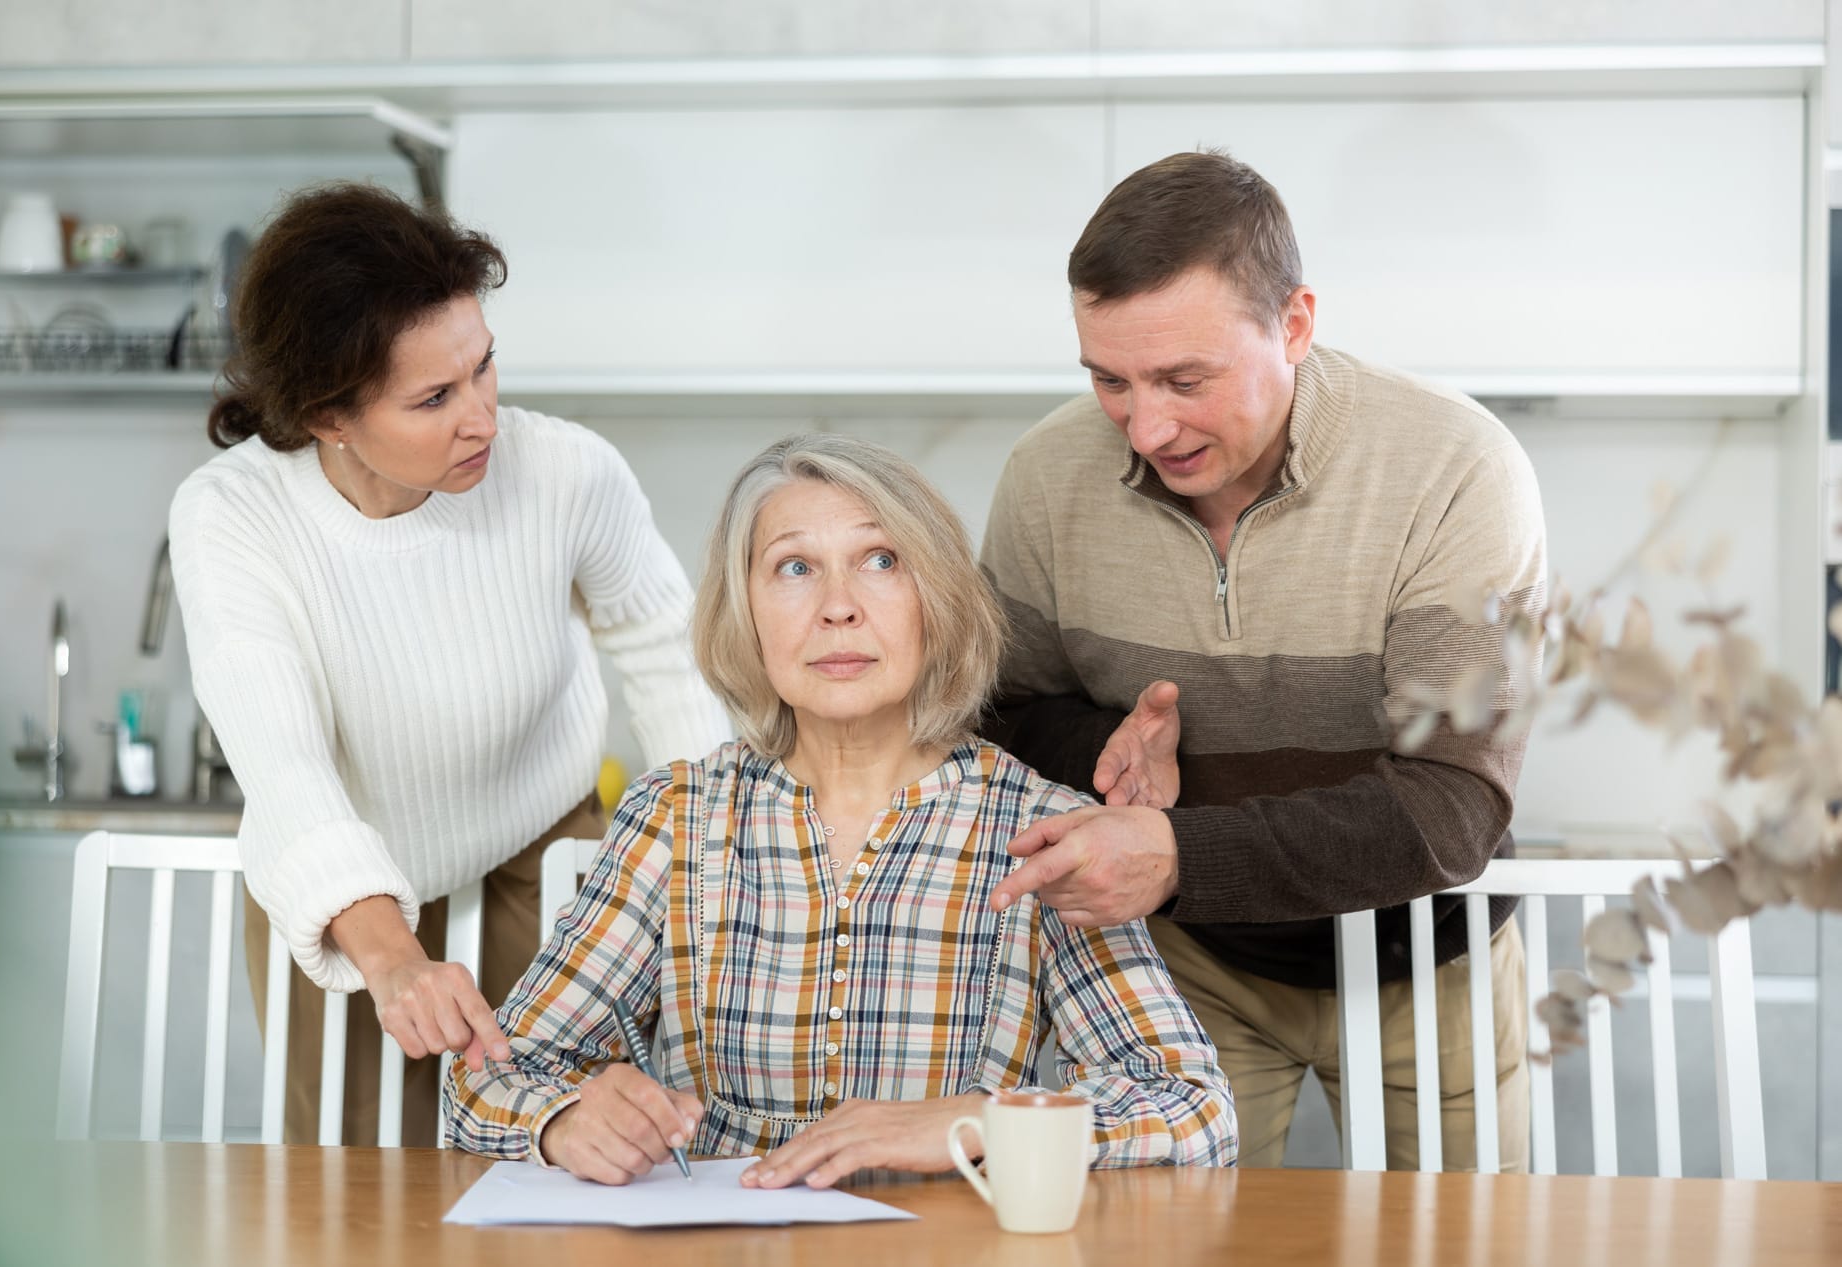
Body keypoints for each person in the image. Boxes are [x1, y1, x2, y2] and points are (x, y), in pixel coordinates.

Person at [444, 434, 1237, 1183]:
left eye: (881, 560)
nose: (838, 606)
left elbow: (1192, 1105)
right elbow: (486, 1082)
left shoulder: (1044, 829)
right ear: (745, 611)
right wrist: (564, 1117)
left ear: (938, 597)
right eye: (794, 567)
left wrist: (984, 1122)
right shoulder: (674, 816)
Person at [980, 150, 1546, 1171]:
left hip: (1426, 957)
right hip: (1186, 965)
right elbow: (1000, 714)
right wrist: (1099, 742)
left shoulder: (1453, 469)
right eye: (1109, 379)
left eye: (1184, 379)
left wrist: (1177, 852)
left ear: (1293, 325)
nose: (1146, 426)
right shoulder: (1044, 479)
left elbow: (1451, 803)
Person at [168, 182, 730, 1145]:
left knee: (569, 1157)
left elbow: (667, 652)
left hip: (540, 850)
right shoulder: (233, 516)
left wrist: (714, 857)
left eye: (484, 369)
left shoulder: (566, 471)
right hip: (337, 881)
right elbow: (283, 763)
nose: (483, 419)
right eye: (434, 398)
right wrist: (389, 957)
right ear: (328, 417)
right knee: (342, 1189)